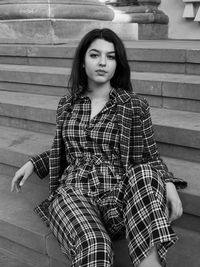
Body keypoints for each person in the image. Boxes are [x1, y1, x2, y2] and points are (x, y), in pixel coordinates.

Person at [11, 28, 187, 267]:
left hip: (118, 195)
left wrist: (169, 185)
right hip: (74, 193)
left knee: (144, 173)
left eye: (111, 56)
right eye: (95, 55)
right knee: (95, 245)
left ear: (118, 64)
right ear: (83, 62)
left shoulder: (133, 105)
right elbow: (66, 149)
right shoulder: (67, 104)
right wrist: (34, 163)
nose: (103, 62)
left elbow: (149, 155)